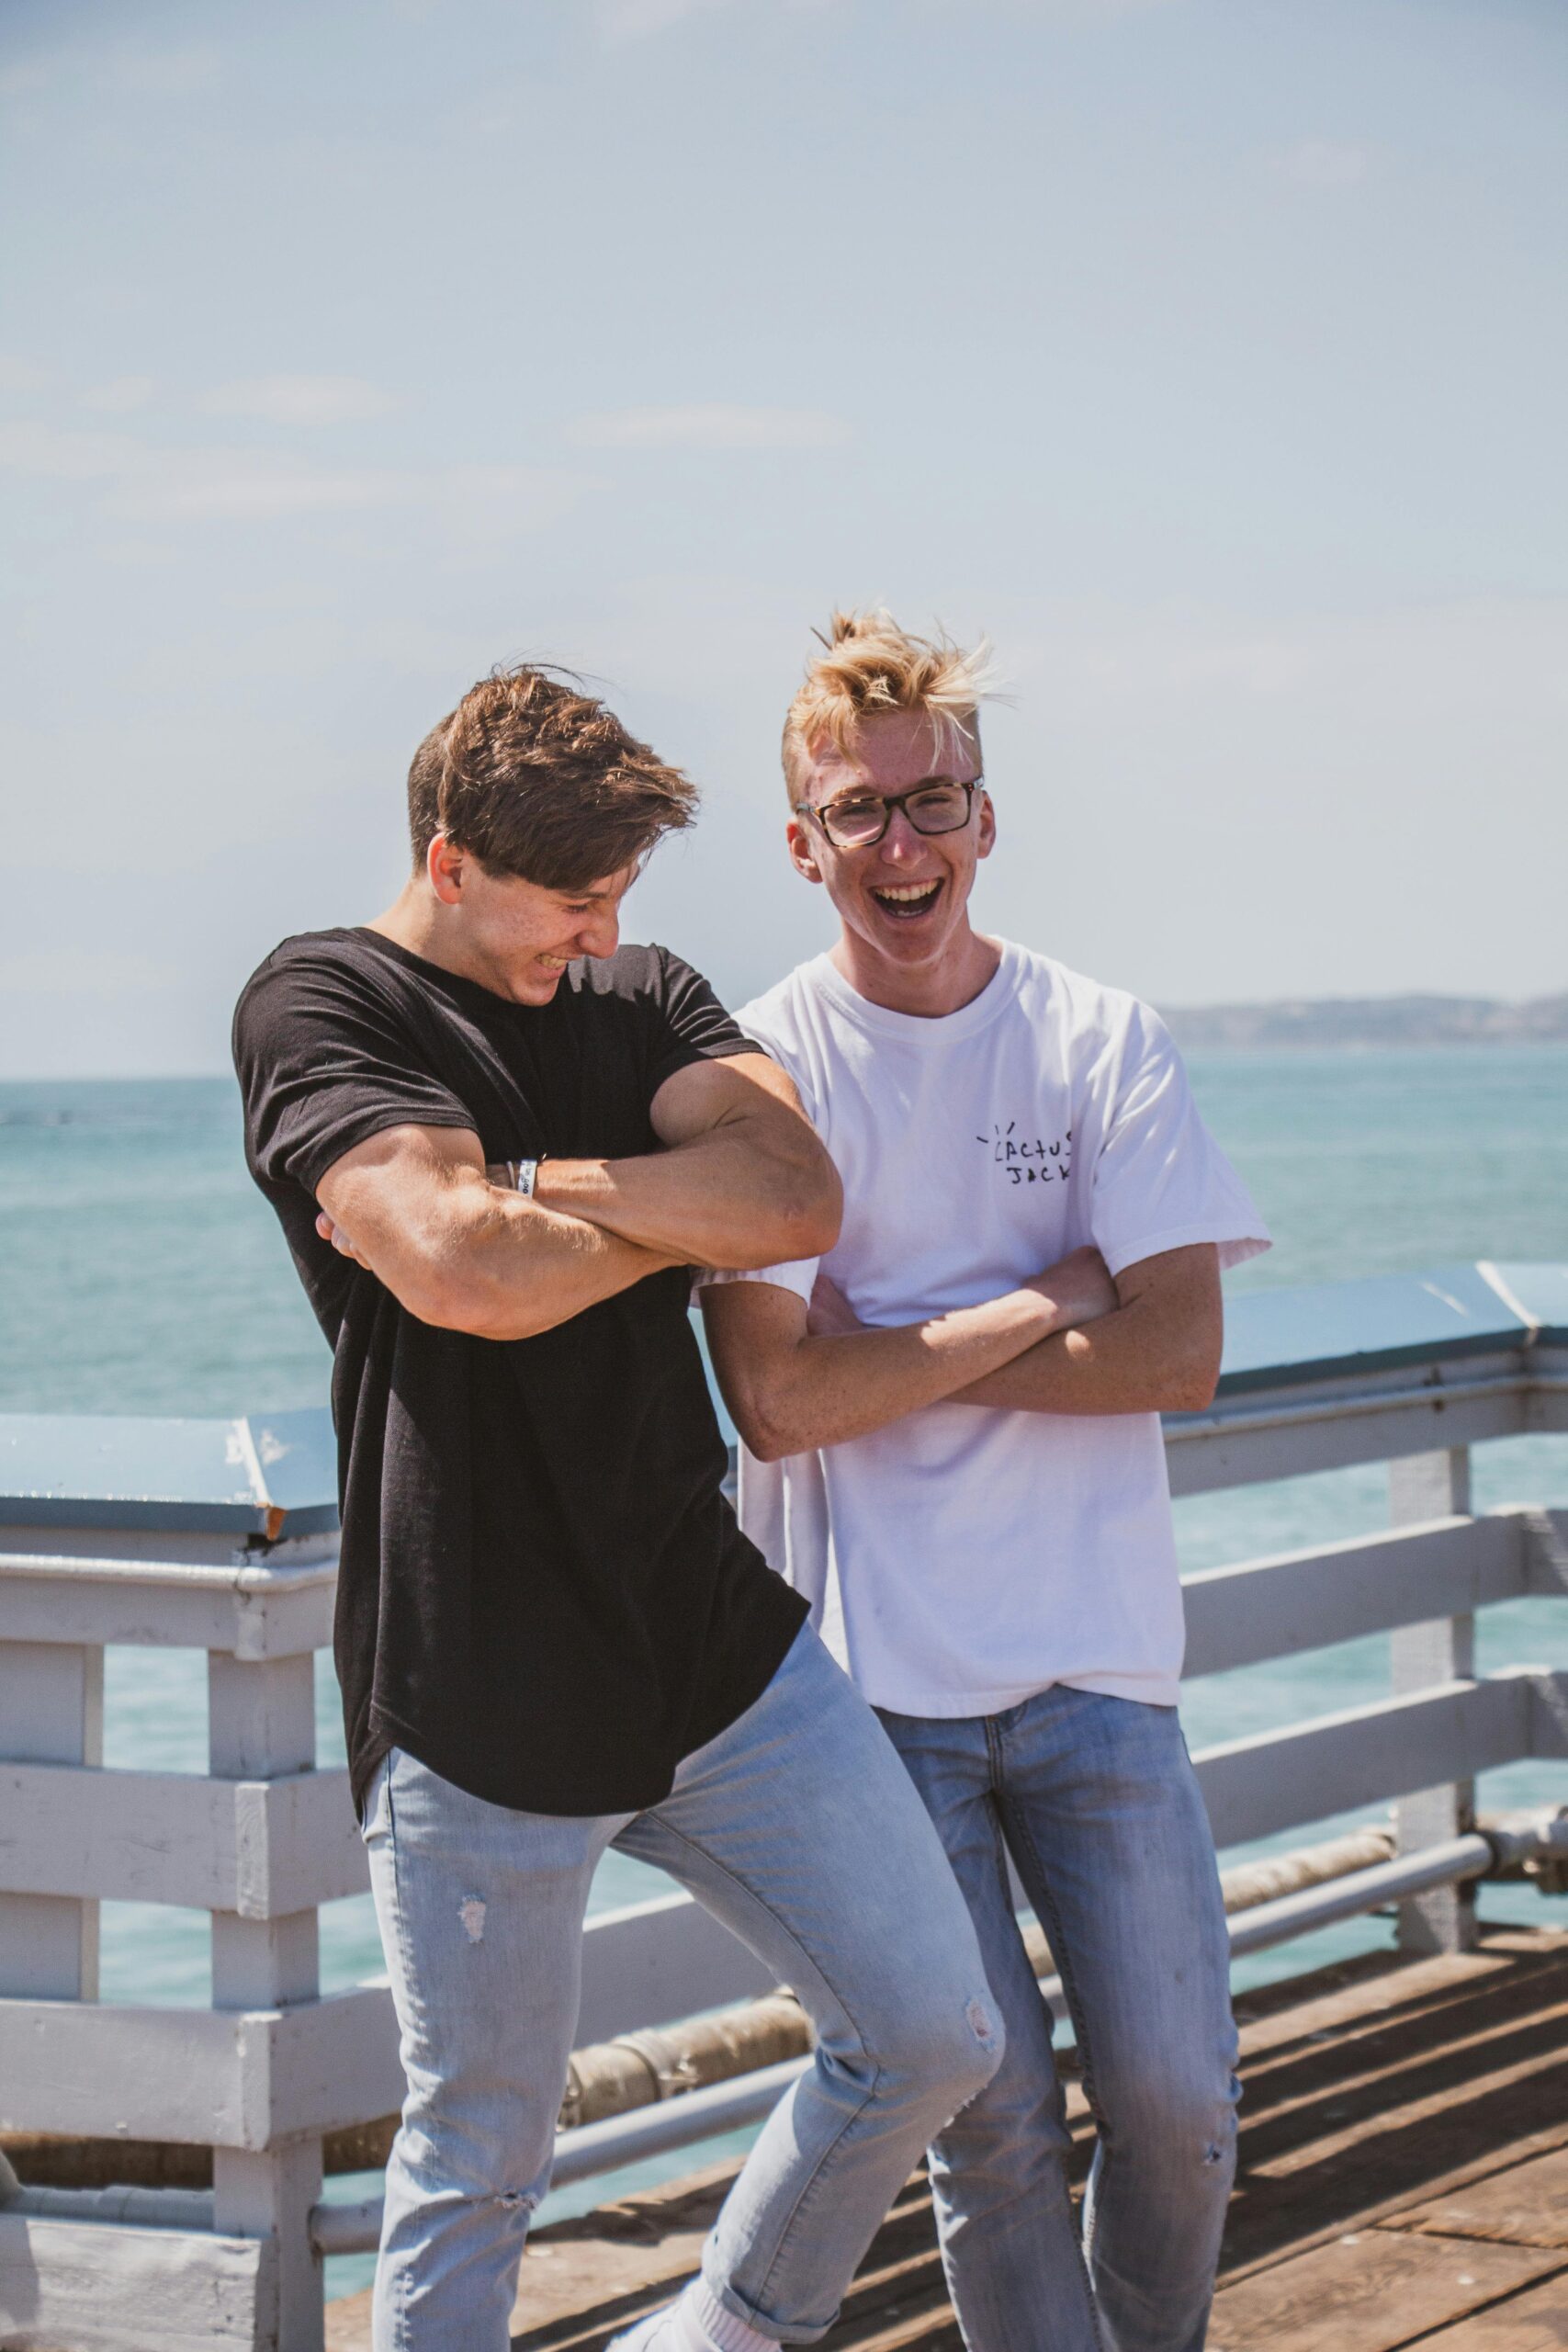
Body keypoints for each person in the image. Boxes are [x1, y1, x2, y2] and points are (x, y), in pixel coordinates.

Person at [231, 663, 1007, 2352]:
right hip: (474, 1680)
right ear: (449, 863)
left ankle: (719, 2334)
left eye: (618, 894)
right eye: (569, 901)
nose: (599, 935)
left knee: (933, 2032)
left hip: (711, 1639)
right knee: (483, 2157)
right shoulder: (322, 1004)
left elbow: (795, 1195)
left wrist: (517, 1183)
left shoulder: (641, 989)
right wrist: (657, 1215)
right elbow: (465, 1279)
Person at [698, 612, 1271, 2352]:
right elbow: (777, 1403)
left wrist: (893, 1353)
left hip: (1098, 1666)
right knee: (994, 2124)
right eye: (858, 812)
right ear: (801, 844)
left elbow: (1180, 1355)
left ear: (986, 818)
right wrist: (1042, 1298)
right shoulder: (756, 1076)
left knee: (1180, 2107)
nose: (903, 844)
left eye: (932, 802)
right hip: (873, 1694)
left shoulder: (1101, 1040)